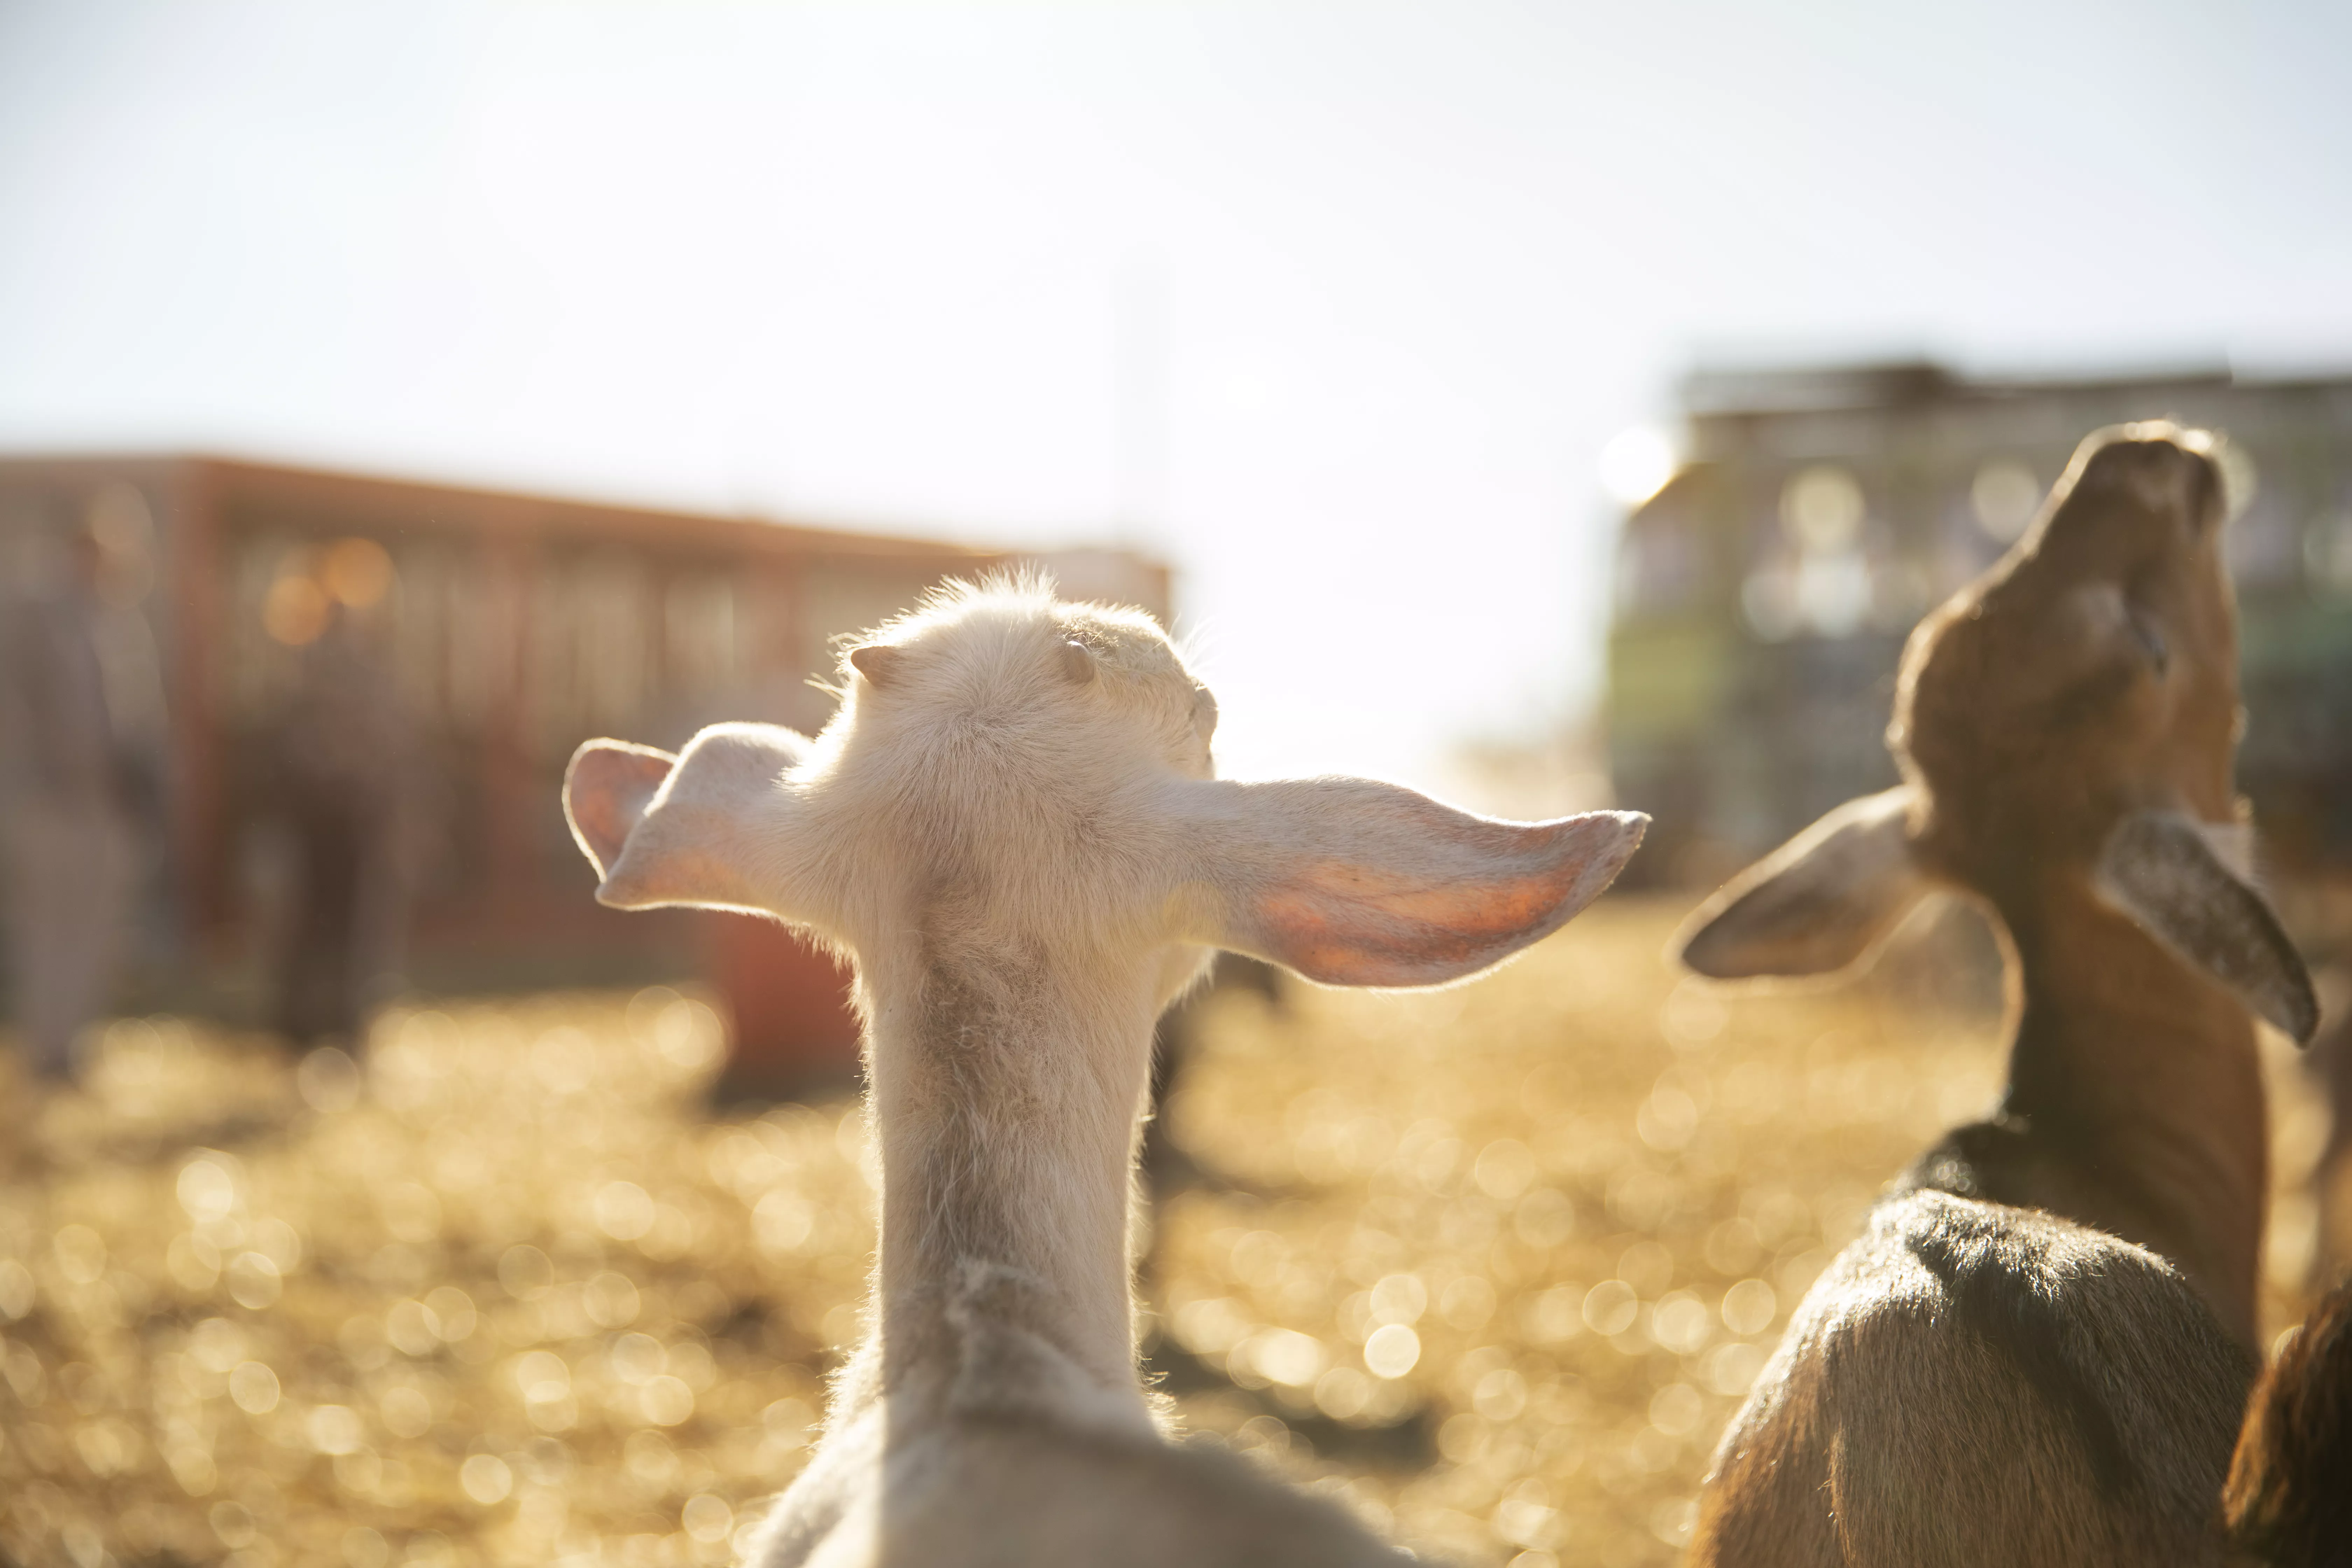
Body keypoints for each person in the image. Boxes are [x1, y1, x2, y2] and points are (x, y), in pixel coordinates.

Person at [0, 510, 162, 1082]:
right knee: (46, 930)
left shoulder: (120, 625)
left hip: (104, 804)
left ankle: (71, 1049)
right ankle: (44, 1051)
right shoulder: (32, 617)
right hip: (46, 803)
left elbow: (137, 721)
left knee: (95, 932)